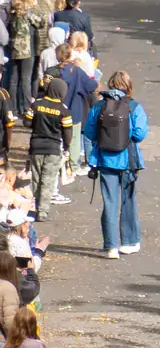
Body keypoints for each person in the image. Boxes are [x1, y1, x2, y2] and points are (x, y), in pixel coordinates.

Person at [83, 71, 149, 260]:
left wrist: (104, 139)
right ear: (128, 86)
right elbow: (139, 133)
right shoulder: (134, 106)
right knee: (128, 200)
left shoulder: (99, 106)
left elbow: (89, 131)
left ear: (110, 85)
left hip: (104, 158)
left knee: (110, 201)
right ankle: (129, 242)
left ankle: (111, 246)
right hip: (128, 159)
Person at [24, 75, 72, 222]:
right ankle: (43, 212)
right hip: (53, 149)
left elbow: (26, 122)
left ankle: (38, 206)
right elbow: (68, 133)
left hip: (36, 147)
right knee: (48, 180)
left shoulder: (36, 105)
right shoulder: (64, 111)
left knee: (37, 179)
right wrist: (67, 147)